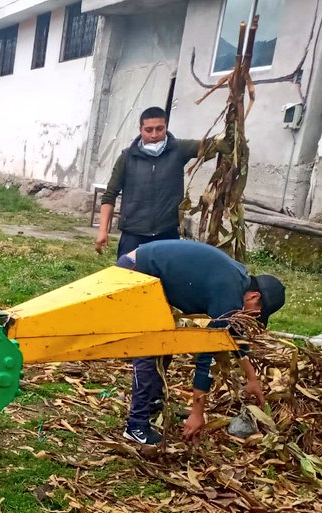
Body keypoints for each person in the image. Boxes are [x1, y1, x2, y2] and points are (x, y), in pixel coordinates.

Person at [115, 240, 286, 444]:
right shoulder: (229, 295)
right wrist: (198, 413)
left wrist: (252, 378)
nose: (251, 318)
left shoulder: (238, 283)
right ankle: (135, 425)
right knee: (151, 348)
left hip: (147, 270)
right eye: (255, 314)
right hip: (135, 270)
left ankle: (151, 403)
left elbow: (234, 333)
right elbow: (207, 354)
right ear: (254, 296)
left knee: (166, 343)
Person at [95, 106, 211, 258]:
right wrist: (103, 230)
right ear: (140, 129)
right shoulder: (128, 157)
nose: (154, 135)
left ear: (166, 127)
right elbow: (109, 195)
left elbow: (211, 145)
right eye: (148, 130)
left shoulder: (178, 149)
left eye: (159, 129)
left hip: (167, 234)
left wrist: (231, 132)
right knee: (128, 278)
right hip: (133, 234)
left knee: (164, 280)